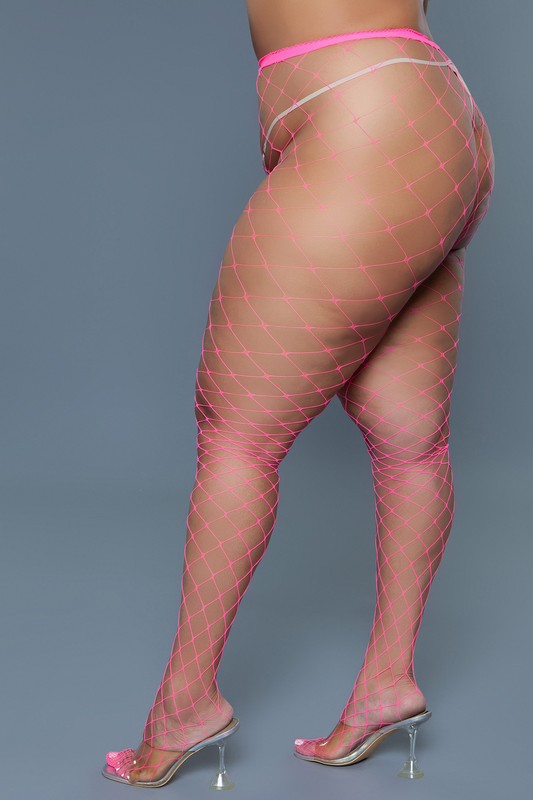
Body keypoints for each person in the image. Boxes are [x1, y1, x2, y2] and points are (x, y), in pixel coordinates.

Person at [102, 0, 495, 787]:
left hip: (359, 111)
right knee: (412, 445)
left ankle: (184, 704)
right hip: (430, 109)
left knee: (237, 437)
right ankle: (386, 682)